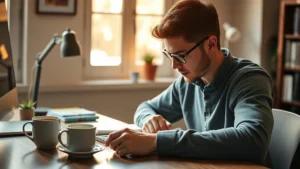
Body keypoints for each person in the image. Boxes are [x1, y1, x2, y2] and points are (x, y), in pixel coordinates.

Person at [105, 0, 274, 167]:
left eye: (181, 56)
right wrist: (150, 120)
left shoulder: (249, 79)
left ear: (211, 44)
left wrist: (157, 142)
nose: (174, 65)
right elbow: (146, 107)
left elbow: (253, 140)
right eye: (170, 55)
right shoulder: (188, 82)